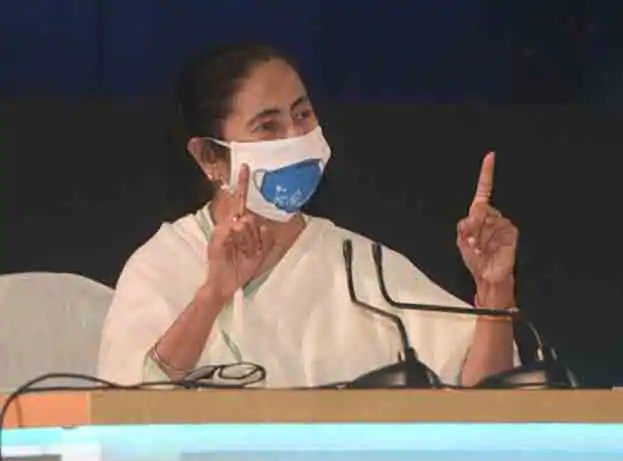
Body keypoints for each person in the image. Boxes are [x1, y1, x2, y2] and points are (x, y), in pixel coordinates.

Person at [97, 43, 518, 387]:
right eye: (268, 126)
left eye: (302, 115)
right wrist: (212, 298)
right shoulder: (165, 263)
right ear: (210, 156)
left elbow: (484, 395)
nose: (296, 137)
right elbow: (125, 407)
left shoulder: (360, 265)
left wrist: (494, 291)